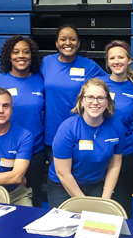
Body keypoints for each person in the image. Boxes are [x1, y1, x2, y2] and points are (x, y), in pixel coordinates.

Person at [0, 35, 46, 208]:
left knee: (34, 198)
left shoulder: (39, 79)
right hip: (5, 150)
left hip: (35, 150)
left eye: (26, 52)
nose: (21, 55)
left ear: (32, 55)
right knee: (3, 196)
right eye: (16, 52)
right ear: (9, 56)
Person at [47, 78, 124, 208]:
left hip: (95, 184)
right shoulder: (68, 129)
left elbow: (115, 165)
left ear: (107, 102)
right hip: (63, 185)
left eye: (101, 98)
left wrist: (105, 199)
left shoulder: (116, 127)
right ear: (82, 101)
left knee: (96, 224)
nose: (95, 102)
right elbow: (63, 173)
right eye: (90, 97)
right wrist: (84, 204)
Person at [41, 24, 106, 166]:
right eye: (63, 39)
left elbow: (111, 82)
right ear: (56, 43)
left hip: (82, 133)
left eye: (72, 39)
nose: (68, 43)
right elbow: (27, 76)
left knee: (82, 178)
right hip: (53, 132)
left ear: (78, 43)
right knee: (59, 180)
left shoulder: (88, 65)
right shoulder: (47, 62)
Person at [103, 41, 133, 219]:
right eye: (112, 58)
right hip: (100, 149)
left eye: (121, 57)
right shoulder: (98, 84)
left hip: (126, 151)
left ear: (129, 60)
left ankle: (123, 233)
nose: (116, 61)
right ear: (107, 62)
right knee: (98, 194)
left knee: (122, 196)